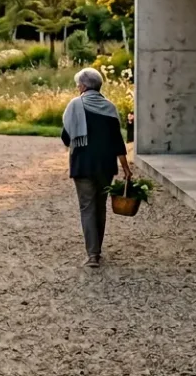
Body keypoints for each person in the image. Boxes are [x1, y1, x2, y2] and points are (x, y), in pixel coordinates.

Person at [61, 67, 130, 268]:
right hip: (106, 166)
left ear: (83, 86)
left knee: (87, 207)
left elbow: (66, 137)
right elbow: (118, 140)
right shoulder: (110, 107)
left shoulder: (75, 106)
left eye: (78, 85)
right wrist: (125, 167)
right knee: (100, 207)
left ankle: (93, 255)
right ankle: (96, 250)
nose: (77, 88)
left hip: (83, 164)